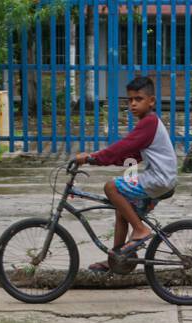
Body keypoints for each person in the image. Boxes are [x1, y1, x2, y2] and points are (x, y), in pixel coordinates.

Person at [72, 75, 177, 272]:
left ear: (151, 101)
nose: (133, 104)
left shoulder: (149, 123)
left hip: (159, 179)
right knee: (122, 210)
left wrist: (92, 157)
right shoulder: (149, 123)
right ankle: (115, 259)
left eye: (138, 99)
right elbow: (131, 154)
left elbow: (124, 146)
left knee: (111, 187)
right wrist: (99, 160)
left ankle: (140, 230)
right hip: (162, 180)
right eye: (130, 100)